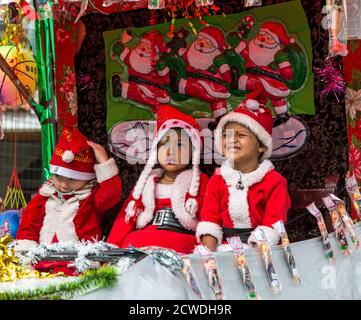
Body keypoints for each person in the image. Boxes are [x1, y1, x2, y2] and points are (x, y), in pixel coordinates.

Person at [107, 105, 209, 254]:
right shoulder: (145, 184)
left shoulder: (201, 182)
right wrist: (110, 252)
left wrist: (208, 253)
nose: (170, 151)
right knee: (131, 243)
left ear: (193, 152)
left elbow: (209, 219)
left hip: (180, 244)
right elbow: (124, 221)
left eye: (179, 144)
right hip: (143, 242)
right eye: (164, 144)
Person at [196, 100, 291, 251]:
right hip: (225, 250)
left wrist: (251, 258)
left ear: (261, 145)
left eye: (241, 135)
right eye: (227, 135)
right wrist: (210, 256)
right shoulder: (218, 179)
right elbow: (210, 220)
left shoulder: (275, 181)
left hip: (262, 250)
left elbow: (273, 223)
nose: (232, 140)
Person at [15, 127, 122, 253]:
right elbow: (29, 222)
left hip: (80, 261)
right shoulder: (45, 193)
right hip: (42, 257)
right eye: (57, 176)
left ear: (88, 178)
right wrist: (26, 250)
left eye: (72, 179)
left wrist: (104, 163)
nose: (63, 184)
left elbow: (111, 195)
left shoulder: (90, 198)